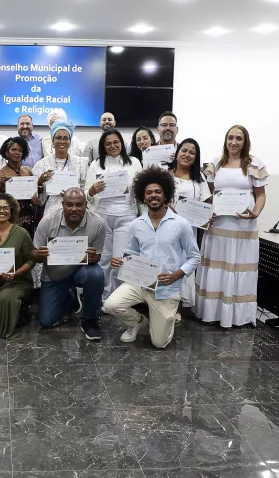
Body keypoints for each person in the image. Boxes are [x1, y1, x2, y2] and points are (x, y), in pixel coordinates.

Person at [103, 166, 201, 349]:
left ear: (165, 195)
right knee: (110, 306)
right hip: (139, 284)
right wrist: (121, 262)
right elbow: (132, 254)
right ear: (143, 196)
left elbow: (195, 258)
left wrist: (175, 275)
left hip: (166, 287)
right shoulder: (136, 224)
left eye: (158, 192)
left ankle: (168, 319)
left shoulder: (181, 224)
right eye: (149, 192)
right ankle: (138, 322)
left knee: (159, 343)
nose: (153, 195)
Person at [193, 125, 268, 328]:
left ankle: (237, 316)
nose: (234, 142)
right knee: (218, 266)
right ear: (225, 140)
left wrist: (256, 212)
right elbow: (211, 193)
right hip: (218, 224)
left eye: (239, 139)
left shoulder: (254, 163)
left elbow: (260, 195)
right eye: (231, 138)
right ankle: (211, 313)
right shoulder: (216, 163)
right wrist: (210, 209)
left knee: (237, 267)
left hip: (243, 226)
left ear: (245, 142)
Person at [32, 188, 107, 340]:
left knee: (96, 274)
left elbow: (97, 257)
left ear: (86, 205)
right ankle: (69, 297)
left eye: (79, 205)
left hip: (81, 271)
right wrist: (39, 255)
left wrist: (94, 258)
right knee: (46, 322)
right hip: (54, 276)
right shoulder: (47, 221)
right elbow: (33, 254)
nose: (74, 209)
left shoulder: (98, 223)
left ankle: (89, 319)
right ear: (62, 204)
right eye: (69, 205)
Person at [86, 129, 143, 299]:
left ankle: (118, 299)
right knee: (103, 260)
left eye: (116, 142)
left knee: (121, 260)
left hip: (126, 215)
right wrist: (92, 190)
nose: (113, 146)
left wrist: (131, 187)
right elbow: (86, 194)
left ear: (122, 144)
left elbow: (141, 191)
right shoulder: (96, 164)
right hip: (102, 215)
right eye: (108, 143)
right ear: (103, 146)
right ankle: (103, 297)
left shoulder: (134, 162)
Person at [0, 193, 35, 338]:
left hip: (18, 281)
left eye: (6, 208)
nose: (2, 211)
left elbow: (31, 260)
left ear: (11, 211)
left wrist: (16, 273)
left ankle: (17, 315)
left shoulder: (21, 233)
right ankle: (16, 316)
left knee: (7, 298)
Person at [167, 138, 211, 308]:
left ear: (196, 157)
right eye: (184, 150)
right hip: (165, 227)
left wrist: (207, 215)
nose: (187, 154)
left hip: (188, 230)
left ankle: (178, 303)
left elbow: (207, 202)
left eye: (192, 152)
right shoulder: (166, 173)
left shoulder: (198, 178)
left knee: (184, 263)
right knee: (168, 261)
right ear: (177, 152)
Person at [32, 121, 90, 218]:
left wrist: (74, 195)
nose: (62, 141)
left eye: (65, 138)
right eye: (58, 138)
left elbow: (87, 190)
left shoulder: (81, 163)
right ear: (53, 141)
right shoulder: (42, 164)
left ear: (70, 141)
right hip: (51, 212)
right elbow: (36, 198)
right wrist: (40, 182)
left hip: (75, 211)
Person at [0, 137, 38, 237]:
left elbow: (34, 195)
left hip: (27, 216)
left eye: (20, 150)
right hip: (8, 216)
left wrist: (35, 202)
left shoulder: (28, 171)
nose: (17, 152)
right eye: (14, 149)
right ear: (6, 152)